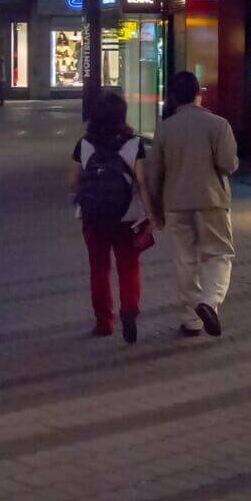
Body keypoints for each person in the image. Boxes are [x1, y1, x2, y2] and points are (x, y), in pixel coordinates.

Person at [148, 71, 238, 338]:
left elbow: (154, 173)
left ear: (173, 97)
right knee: (219, 254)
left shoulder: (165, 128)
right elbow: (229, 164)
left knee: (184, 261)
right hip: (212, 201)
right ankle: (209, 303)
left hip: (175, 203)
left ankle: (192, 320)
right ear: (199, 93)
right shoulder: (218, 124)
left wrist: (155, 208)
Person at [68, 92, 151, 342]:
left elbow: (72, 182)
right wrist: (151, 214)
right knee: (128, 265)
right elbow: (142, 182)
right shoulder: (133, 144)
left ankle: (104, 322)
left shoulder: (84, 144)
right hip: (126, 217)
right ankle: (129, 307)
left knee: (99, 269)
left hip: (93, 216)